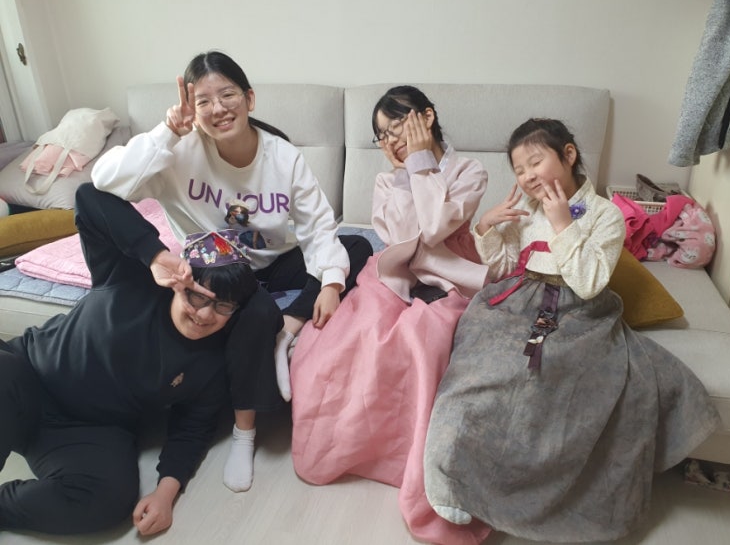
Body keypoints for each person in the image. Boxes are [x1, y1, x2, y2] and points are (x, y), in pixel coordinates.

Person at [423, 118, 721, 542]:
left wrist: (563, 224)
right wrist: (488, 227)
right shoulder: (527, 210)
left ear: (568, 155)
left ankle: (553, 497)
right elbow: (504, 267)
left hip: (578, 309)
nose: (527, 176)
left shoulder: (605, 214)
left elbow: (589, 281)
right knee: (479, 371)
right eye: (519, 170)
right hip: (519, 300)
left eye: (535, 162)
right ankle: (450, 477)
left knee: (561, 379)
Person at [91, 50, 372, 492]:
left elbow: (319, 226)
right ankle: (245, 433)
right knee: (256, 312)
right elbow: (103, 182)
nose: (218, 108)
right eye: (203, 101)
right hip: (218, 269)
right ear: (191, 108)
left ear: (249, 99)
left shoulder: (282, 157)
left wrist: (332, 284)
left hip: (274, 259)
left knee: (354, 246)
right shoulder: (179, 151)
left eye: (227, 95)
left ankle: (288, 331)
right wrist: (167, 132)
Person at [0, 182, 265, 536]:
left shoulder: (212, 363)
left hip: (87, 431)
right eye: (197, 296)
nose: (205, 314)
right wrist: (155, 255)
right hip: (28, 373)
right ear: (180, 283)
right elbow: (88, 197)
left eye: (223, 306)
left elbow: (192, 430)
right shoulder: (129, 277)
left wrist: (165, 494)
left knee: (109, 501)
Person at [290, 86, 492, 545]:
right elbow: (402, 237)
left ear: (427, 117)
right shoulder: (387, 180)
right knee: (352, 333)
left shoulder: (469, 171)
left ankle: (416, 468)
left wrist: (420, 163)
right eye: (381, 135)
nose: (390, 142)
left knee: (422, 339)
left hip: (451, 277)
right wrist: (405, 174)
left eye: (397, 127)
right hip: (395, 273)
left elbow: (436, 230)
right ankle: (343, 447)